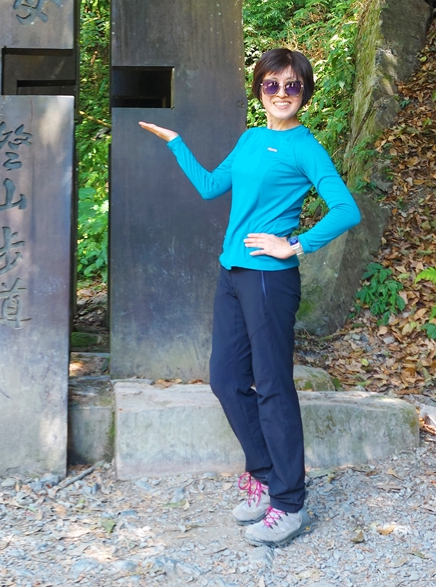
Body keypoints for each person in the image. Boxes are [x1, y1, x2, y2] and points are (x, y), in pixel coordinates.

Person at [139, 47, 360, 547]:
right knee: (226, 379)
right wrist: (177, 143)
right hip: (232, 273)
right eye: (272, 84)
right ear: (260, 89)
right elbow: (210, 187)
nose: (282, 93)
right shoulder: (251, 138)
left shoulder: (305, 147)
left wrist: (296, 245)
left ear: (304, 93)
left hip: (269, 279)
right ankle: (263, 474)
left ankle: (290, 503)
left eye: (292, 85)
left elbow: (346, 209)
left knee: (274, 386)